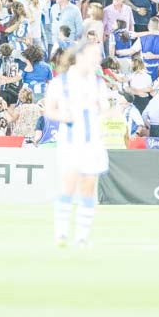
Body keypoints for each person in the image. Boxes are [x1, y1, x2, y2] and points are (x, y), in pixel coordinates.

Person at [44, 40, 110, 247]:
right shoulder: (60, 82)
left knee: (88, 188)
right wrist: (65, 116)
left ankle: (82, 236)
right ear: (80, 57)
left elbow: (105, 108)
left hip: (92, 142)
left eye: (97, 56)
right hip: (70, 142)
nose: (96, 59)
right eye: (93, 55)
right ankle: (61, 234)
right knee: (68, 186)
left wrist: (98, 107)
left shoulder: (99, 83)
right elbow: (49, 110)